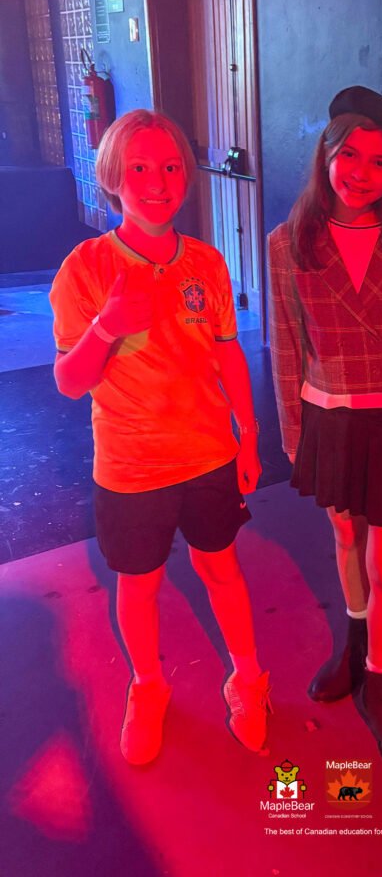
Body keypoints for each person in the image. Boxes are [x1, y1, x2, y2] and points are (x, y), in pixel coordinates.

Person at [50, 109, 270, 765]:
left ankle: (248, 678)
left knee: (221, 569)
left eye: (170, 166)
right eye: (140, 167)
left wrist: (250, 433)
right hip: (131, 467)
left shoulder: (205, 261)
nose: (158, 181)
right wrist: (108, 326)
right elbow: (69, 381)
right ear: (113, 177)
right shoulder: (86, 268)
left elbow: (228, 351)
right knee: (139, 584)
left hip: (208, 455)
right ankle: (148, 686)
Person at [268, 86, 382, 762]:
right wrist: (294, 436)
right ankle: (354, 645)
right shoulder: (289, 243)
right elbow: (288, 347)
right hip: (331, 418)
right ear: (327, 155)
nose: (361, 173)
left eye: (380, 162)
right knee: (346, 537)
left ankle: (381, 686)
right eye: (350, 155)